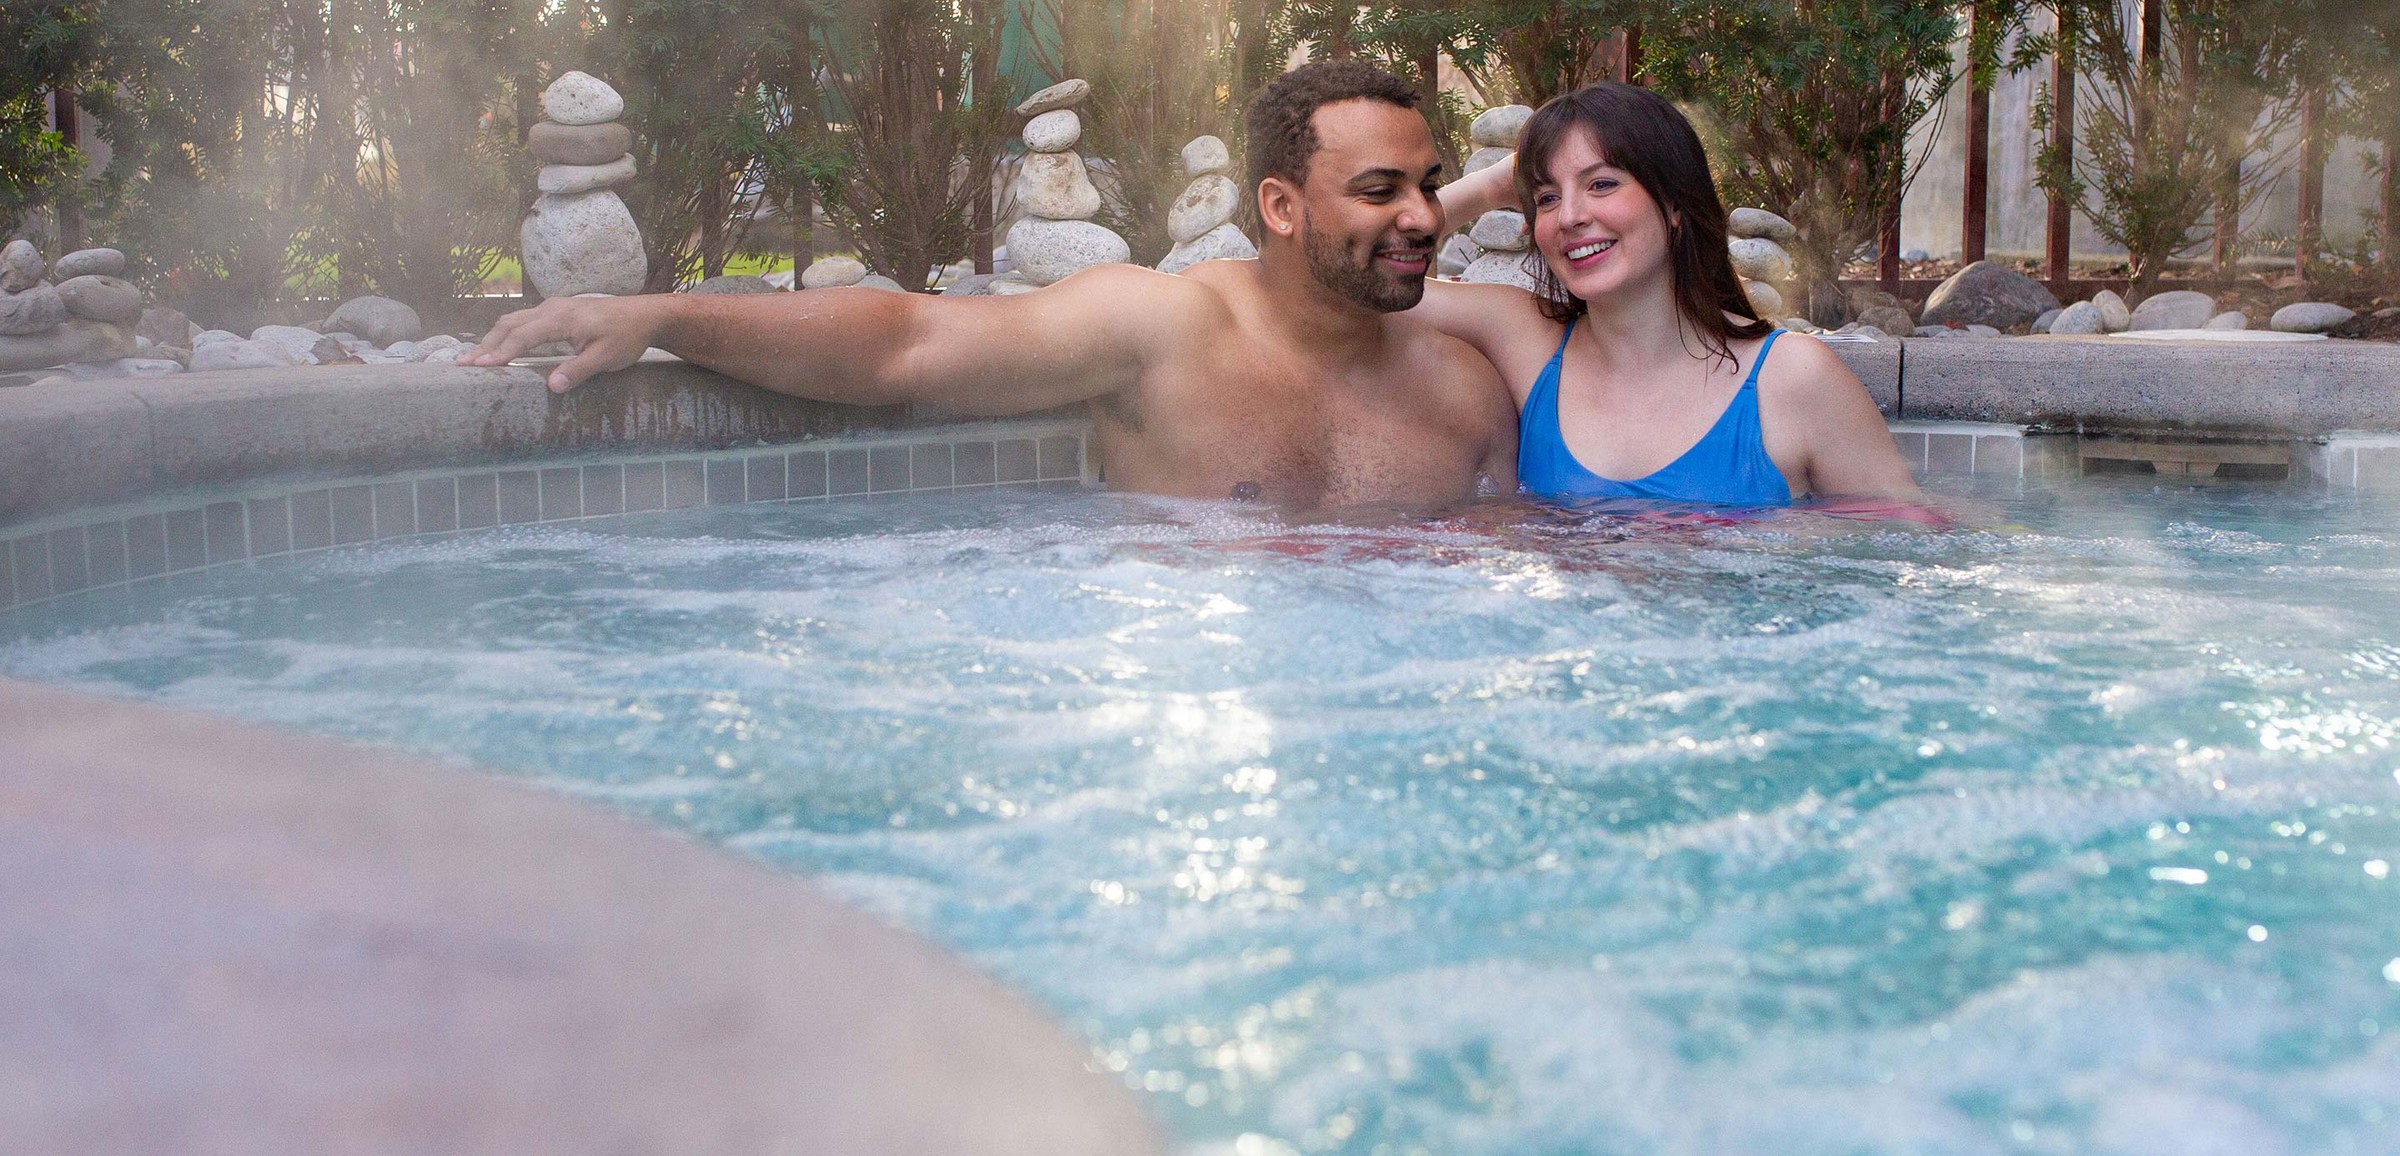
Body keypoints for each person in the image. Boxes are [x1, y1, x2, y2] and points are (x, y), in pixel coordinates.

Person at [467, 62, 1516, 512]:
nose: (1426, 217)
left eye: (1429, 186)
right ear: (1281, 208)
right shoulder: (1161, 326)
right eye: (1382, 191)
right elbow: (905, 345)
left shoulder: (1463, 395)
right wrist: (662, 314)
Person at [1420, 83, 1921, 507]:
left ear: (1675, 203)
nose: (1569, 216)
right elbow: (1356, 283)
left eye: (1601, 184)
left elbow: (1908, 553)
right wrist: (1486, 186)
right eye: (1546, 197)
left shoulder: (1793, 379)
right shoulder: (1527, 341)